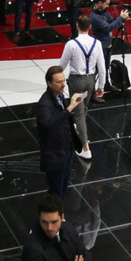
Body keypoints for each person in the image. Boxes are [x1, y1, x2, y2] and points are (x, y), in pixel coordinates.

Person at [58, 16, 107, 160]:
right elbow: (102, 68)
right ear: (90, 27)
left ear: (77, 26)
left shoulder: (71, 44)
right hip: (90, 81)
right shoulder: (97, 43)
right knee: (83, 108)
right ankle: (80, 129)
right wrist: (101, 86)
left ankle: (85, 148)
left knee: (79, 113)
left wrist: (54, 78)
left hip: (76, 82)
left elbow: (62, 65)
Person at [36, 66, 82, 198]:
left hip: (67, 152)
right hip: (55, 157)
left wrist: (71, 127)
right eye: (59, 82)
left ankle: (59, 209)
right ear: (49, 84)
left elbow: (63, 119)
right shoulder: (44, 105)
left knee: (63, 187)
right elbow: (49, 125)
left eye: (64, 81)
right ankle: (54, 211)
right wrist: (70, 108)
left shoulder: (60, 96)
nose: (63, 85)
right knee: (55, 192)